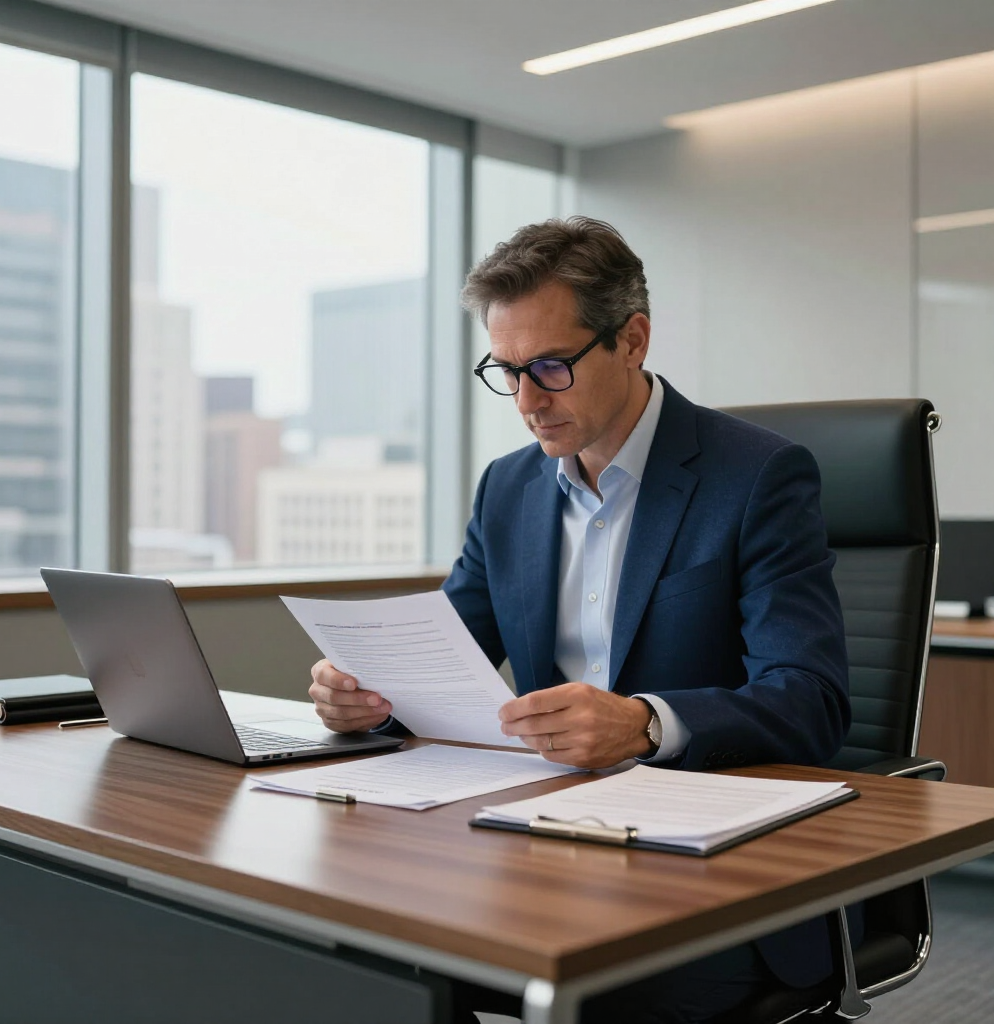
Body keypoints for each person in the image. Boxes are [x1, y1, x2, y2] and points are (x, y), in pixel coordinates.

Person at [308, 216, 851, 1023]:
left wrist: (644, 724)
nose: (526, 401)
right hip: (539, 844)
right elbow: (443, 654)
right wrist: (363, 692)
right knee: (362, 956)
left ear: (632, 340)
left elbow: (811, 699)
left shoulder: (757, 476)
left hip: (708, 873)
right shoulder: (509, 489)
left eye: (551, 367)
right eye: (506, 370)